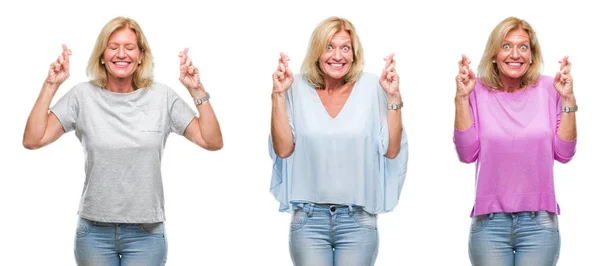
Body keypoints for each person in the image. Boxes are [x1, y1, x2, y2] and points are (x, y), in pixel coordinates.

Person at [22, 16, 223, 265]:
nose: (121, 54)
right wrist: (51, 84)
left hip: (146, 233)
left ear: (140, 56)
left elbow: (212, 141)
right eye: (113, 46)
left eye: (129, 47)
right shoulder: (82, 97)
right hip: (94, 232)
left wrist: (197, 90)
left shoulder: (162, 97)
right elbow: (33, 139)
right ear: (102, 56)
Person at [269, 16, 408, 266]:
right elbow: (283, 148)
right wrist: (278, 95)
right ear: (317, 51)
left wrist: (394, 96)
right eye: (329, 47)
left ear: (354, 54)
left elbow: (392, 149)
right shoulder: (295, 86)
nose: (338, 55)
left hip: (358, 221)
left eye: (345, 48)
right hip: (309, 221)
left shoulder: (371, 86)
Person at [453, 17, 577, 266]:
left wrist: (568, 100)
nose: (515, 54)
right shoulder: (475, 90)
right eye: (506, 46)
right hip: (489, 224)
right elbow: (467, 153)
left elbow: (564, 153)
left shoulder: (550, 88)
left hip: (539, 224)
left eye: (523, 47)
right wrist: (461, 98)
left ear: (532, 55)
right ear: (494, 54)